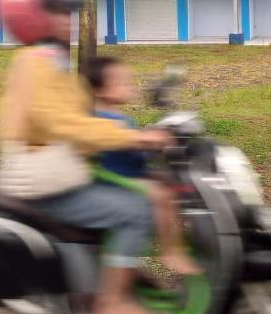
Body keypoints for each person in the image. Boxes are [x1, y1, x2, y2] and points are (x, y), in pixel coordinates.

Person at [0, 0, 173, 314]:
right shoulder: (36, 63)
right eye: (56, 11)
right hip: (45, 181)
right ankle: (111, 304)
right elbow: (64, 124)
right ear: (30, 16)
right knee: (135, 211)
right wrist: (132, 138)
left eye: (67, 12)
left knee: (141, 192)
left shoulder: (50, 59)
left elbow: (81, 119)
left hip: (61, 169)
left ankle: (121, 276)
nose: (67, 19)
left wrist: (130, 134)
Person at [85, 56, 202, 277]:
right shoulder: (103, 119)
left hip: (131, 171)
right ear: (98, 91)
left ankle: (179, 237)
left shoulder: (119, 117)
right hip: (115, 178)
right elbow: (130, 147)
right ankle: (170, 251)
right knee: (162, 196)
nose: (130, 86)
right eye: (121, 83)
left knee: (174, 184)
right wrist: (152, 144)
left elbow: (136, 149)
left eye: (129, 81)